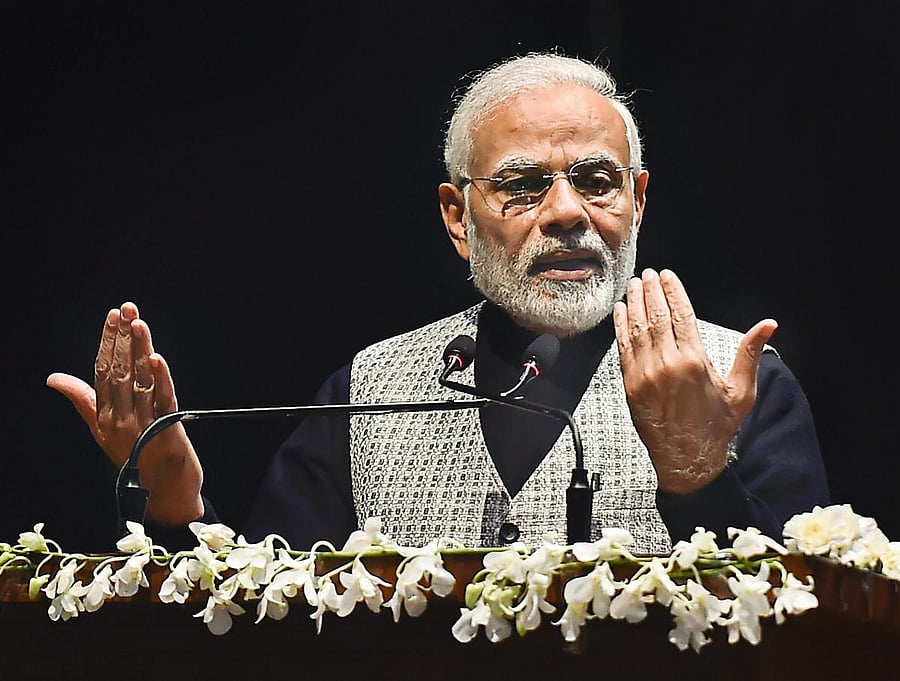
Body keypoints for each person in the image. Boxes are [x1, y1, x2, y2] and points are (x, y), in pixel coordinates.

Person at [47, 52, 830, 554]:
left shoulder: (740, 379)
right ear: (458, 218)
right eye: (524, 186)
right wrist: (179, 509)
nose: (565, 211)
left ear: (637, 200)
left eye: (596, 180)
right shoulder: (369, 388)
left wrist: (699, 475)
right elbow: (254, 634)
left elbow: (806, 635)